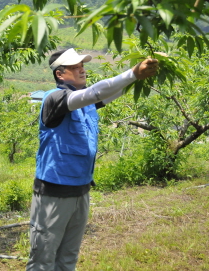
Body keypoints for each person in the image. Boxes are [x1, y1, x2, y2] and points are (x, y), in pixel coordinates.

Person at [26, 48, 158, 271]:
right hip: (54, 194)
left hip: (80, 192)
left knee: (68, 258)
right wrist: (133, 73)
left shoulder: (84, 104)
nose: (82, 70)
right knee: (43, 260)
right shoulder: (55, 99)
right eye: (75, 67)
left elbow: (107, 93)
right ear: (60, 74)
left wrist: (139, 77)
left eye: (82, 66)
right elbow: (96, 92)